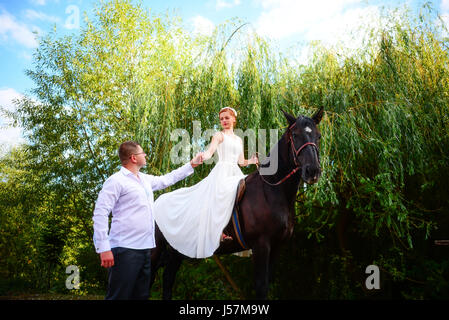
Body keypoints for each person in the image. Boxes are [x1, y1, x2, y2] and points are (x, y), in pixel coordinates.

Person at [92, 140, 203, 300]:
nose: (145, 155)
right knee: (119, 296)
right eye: (142, 153)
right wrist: (103, 248)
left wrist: (191, 165)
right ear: (133, 158)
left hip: (145, 249)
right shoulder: (116, 181)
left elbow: (167, 179)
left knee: (141, 296)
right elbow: (100, 213)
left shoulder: (144, 179)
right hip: (124, 249)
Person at [154, 107, 258, 259]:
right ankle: (219, 231)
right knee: (221, 195)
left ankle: (242, 228)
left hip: (235, 171)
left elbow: (241, 162)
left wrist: (252, 161)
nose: (224, 121)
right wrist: (203, 156)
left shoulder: (238, 139)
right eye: (221, 118)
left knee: (245, 192)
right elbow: (210, 151)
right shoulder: (219, 136)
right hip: (222, 172)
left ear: (234, 119)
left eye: (227, 118)